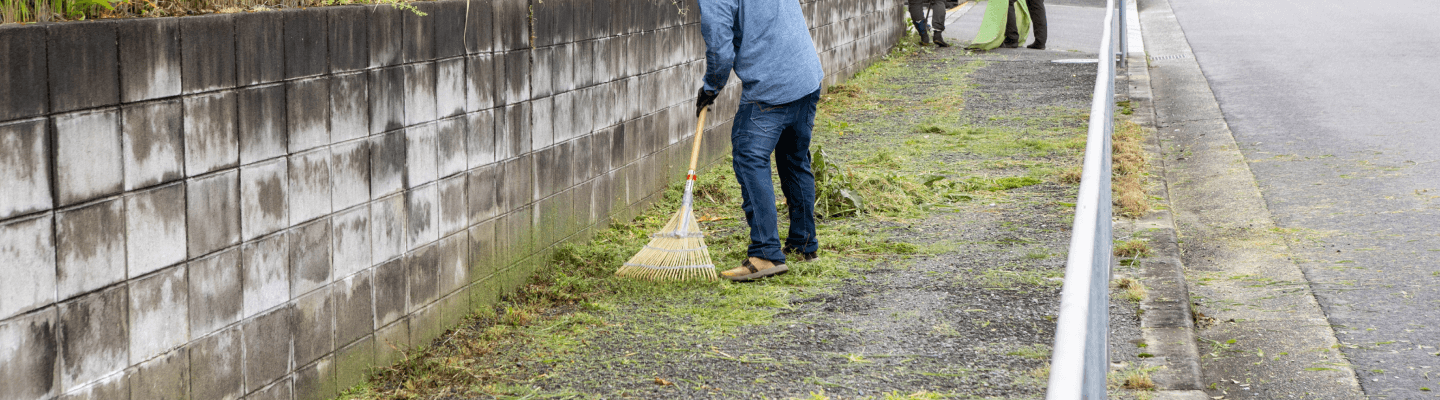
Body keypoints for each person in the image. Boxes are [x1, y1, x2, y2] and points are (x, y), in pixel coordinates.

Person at [696, 0, 824, 282]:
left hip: (771, 88)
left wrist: (711, 87)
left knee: (749, 158)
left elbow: (719, 49)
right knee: (794, 160)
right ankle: (804, 244)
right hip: (806, 76)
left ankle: (765, 253)